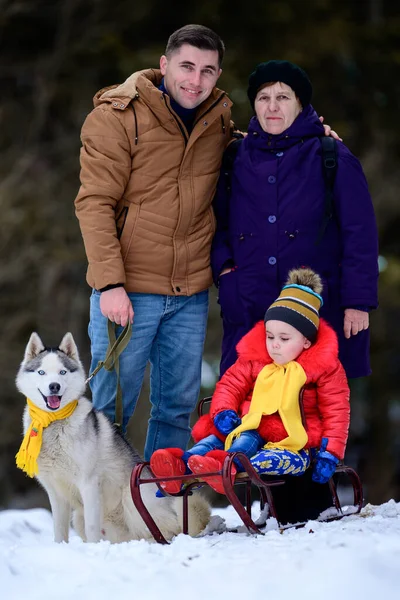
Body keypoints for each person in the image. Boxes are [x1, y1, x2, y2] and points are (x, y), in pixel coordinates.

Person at [74, 30, 338, 462]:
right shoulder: (117, 117)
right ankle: (103, 518)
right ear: (164, 65)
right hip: (129, 290)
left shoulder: (216, 117)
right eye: (187, 67)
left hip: (189, 293)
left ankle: (163, 507)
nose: (195, 81)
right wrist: (110, 284)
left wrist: (311, 132)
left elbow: (251, 148)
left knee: (176, 409)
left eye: (208, 71)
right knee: (109, 410)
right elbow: (94, 203)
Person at [211, 60, 379, 380]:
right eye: (263, 98)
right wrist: (225, 272)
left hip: (316, 311)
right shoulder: (235, 157)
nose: (272, 106)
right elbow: (217, 224)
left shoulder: (333, 156)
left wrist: (358, 302)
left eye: (283, 97)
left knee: (315, 412)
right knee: (244, 412)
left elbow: (361, 234)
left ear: (300, 104)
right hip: (249, 310)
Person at [150, 268, 350, 495]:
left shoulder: (325, 369)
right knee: (215, 439)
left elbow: (337, 411)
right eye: (270, 336)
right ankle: (180, 465)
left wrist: (330, 452)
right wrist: (223, 412)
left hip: (291, 438)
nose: (274, 344)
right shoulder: (255, 359)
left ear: (306, 341)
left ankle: (224, 466)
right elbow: (230, 385)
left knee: (247, 443)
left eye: (284, 339)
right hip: (246, 423)